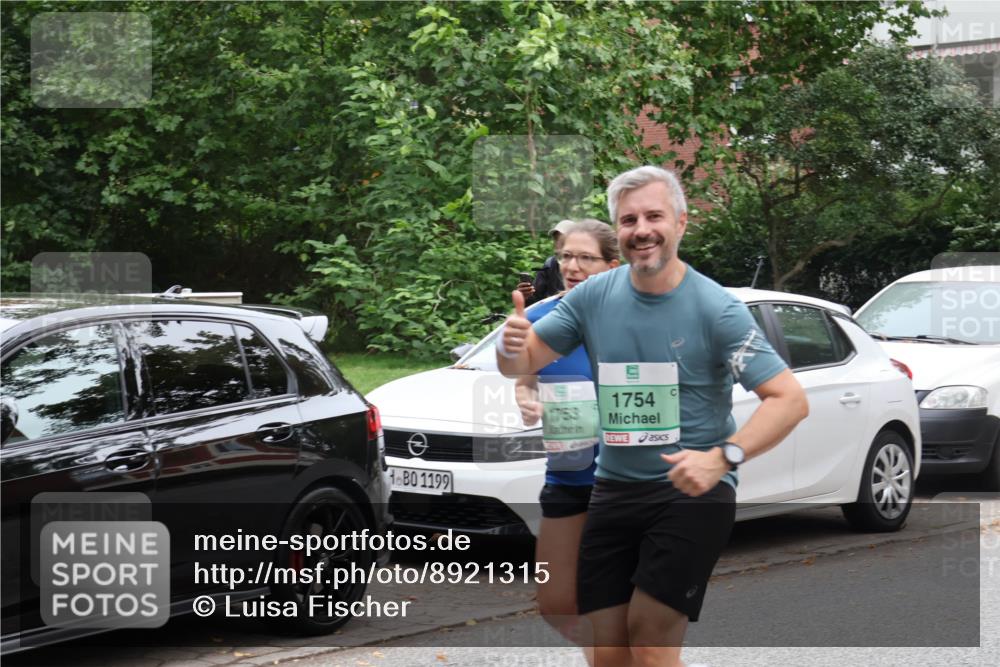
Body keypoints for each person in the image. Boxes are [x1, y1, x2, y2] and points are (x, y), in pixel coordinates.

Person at [498, 165, 809, 667]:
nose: (641, 229)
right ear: (618, 231)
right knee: (608, 654)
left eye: (654, 216)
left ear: (681, 223)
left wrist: (722, 458)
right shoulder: (593, 296)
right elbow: (523, 362)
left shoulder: (717, 309)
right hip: (613, 490)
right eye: (628, 220)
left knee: (649, 643)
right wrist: (510, 348)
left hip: (690, 494)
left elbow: (789, 399)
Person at [511, 220, 620, 641]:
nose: (572, 267)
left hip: (626, 481)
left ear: (611, 266)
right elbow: (525, 380)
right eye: (566, 257)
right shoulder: (539, 317)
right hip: (567, 475)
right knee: (556, 603)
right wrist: (526, 399)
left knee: (611, 600)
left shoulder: (635, 317)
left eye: (586, 258)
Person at [517, 219, 576, 306]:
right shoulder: (550, 264)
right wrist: (525, 296)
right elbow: (536, 302)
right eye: (556, 239)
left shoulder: (584, 266)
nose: (558, 243)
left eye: (563, 239)